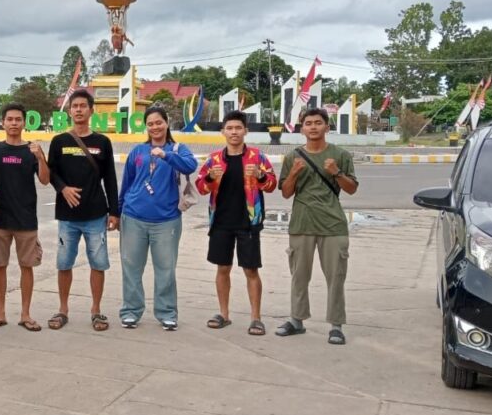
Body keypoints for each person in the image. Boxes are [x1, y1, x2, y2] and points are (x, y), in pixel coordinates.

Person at [276, 107, 359, 345]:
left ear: (327, 127)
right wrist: (293, 173)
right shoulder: (293, 157)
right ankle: (297, 320)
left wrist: (336, 172)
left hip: (333, 225)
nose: (313, 127)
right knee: (299, 276)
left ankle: (336, 326)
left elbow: (352, 189)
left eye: (318, 122)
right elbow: (286, 193)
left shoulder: (340, 155)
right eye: (308, 123)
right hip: (301, 223)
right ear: (302, 129)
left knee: (336, 277)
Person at [195, 110, 278, 335]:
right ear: (223, 132)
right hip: (221, 221)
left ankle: (256, 318)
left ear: (246, 131)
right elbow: (201, 188)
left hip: (248, 222)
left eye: (238, 128)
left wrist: (260, 175)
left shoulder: (257, 157)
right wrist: (211, 177)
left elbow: (272, 185)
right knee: (222, 268)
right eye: (230, 128)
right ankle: (224, 314)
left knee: (251, 270)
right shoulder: (214, 159)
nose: (234, 132)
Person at [118, 106, 197, 330]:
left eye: (159, 122)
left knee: (166, 268)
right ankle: (131, 311)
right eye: (150, 124)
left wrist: (166, 155)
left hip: (167, 220)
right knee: (131, 267)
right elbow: (127, 182)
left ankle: (167, 312)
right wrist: (118, 211)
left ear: (166, 123)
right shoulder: (138, 151)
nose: (155, 127)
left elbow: (190, 166)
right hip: (133, 217)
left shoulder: (178, 149)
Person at [47, 88, 119, 331]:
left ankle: (96, 311)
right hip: (67, 216)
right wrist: (63, 189)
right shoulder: (59, 141)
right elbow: (50, 173)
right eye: (74, 106)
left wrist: (114, 212)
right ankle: (62, 310)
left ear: (91, 110)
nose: (78, 110)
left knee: (98, 263)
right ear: (69, 111)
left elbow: (110, 178)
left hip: (96, 215)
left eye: (82, 106)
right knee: (64, 263)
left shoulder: (102, 142)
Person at [0, 103, 50, 332]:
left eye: (18, 119)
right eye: (10, 119)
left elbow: (45, 180)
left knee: (27, 267)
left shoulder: (32, 150)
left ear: (24, 122)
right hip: (0, 219)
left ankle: (25, 314)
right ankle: (0, 313)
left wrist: (41, 158)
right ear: (3, 122)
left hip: (26, 219)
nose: (14, 123)